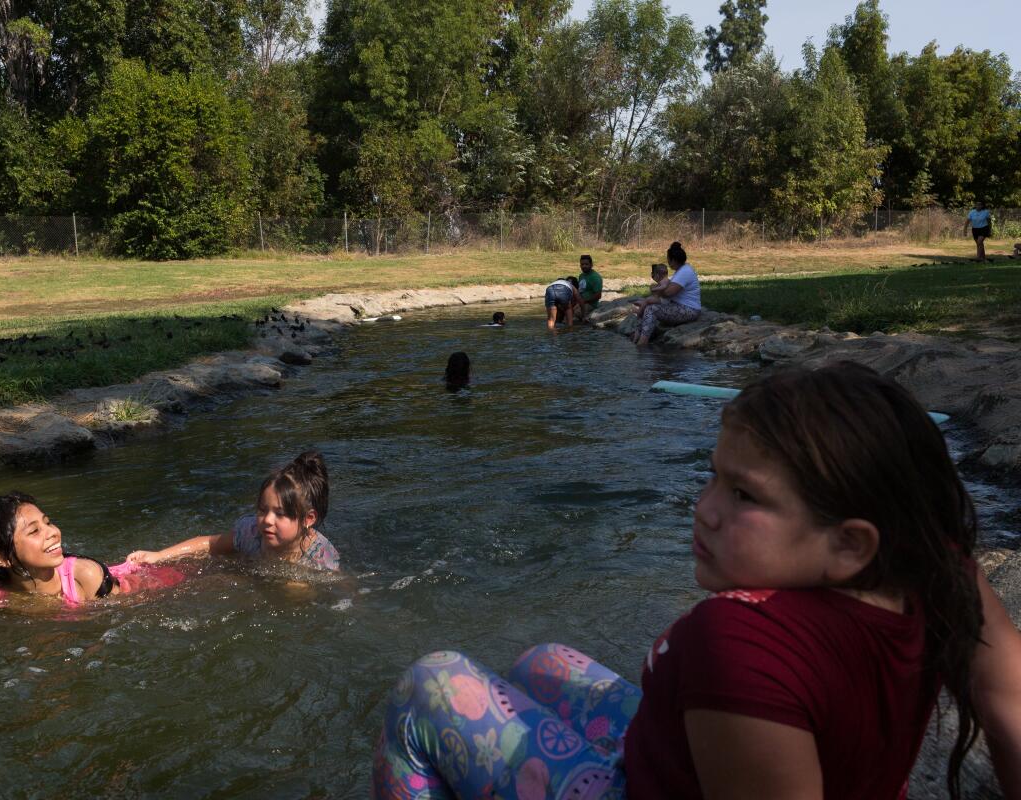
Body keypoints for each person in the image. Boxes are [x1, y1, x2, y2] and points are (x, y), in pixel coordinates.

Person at [372, 362, 1021, 800]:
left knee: (431, 683)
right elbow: (1011, 711)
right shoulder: (938, 567)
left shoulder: (739, 640)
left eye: (744, 495)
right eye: (713, 476)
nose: (704, 507)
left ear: (849, 543)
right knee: (541, 665)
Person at [0, 492, 185, 607]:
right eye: (34, 531)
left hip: (152, 581)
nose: (53, 532)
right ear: (2, 558)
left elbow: (133, 605)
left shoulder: (87, 576)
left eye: (47, 522)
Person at [127, 451, 339, 572]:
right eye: (263, 510)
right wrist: (159, 556)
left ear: (308, 519)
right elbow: (208, 543)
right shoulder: (252, 532)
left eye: (280, 514)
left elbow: (339, 584)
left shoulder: (320, 557)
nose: (267, 520)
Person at [631, 242, 701, 345]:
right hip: (680, 306)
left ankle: (642, 343)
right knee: (649, 306)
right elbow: (666, 290)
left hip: (689, 310)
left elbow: (668, 293)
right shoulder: (681, 270)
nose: (667, 261)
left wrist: (655, 289)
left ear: (673, 260)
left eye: (668, 259)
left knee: (651, 309)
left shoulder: (685, 272)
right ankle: (638, 335)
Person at [575, 254, 604, 322]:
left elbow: (598, 296)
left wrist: (584, 301)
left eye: (586, 264)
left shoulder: (596, 278)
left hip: (591, 304)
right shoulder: (581, 276)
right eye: (582, 264)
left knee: (576, 313)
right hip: (581, 302)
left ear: (591, 265)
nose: (584, 266)